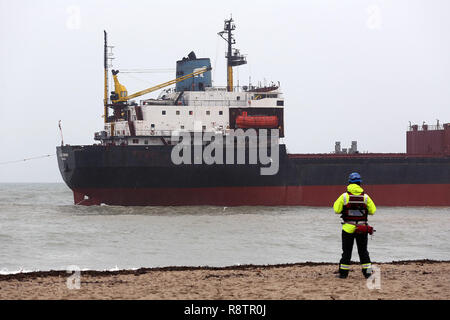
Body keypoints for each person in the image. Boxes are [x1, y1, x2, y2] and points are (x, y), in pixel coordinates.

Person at [333, 172, 376, 279]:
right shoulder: (365, 197)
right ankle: (368, 273)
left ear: (349, 183)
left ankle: (343, 274)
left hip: (347, 228)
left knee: (346, 252)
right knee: (364, 252)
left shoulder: (344, 196)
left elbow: (336, 210)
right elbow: (373, 211)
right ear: (360, 183)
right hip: (362, 228)